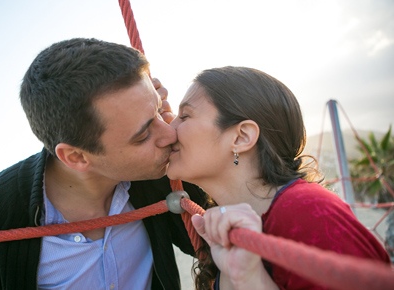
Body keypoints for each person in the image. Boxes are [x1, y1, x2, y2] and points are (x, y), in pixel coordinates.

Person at [0, 38, 209, 290]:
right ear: (76, 157)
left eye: (157, 111)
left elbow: (211, 250)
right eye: (142, 135)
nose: (169, 134)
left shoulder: (158, 173)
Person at [167, 66, 390, 289]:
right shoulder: (226, 230)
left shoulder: (308, 212)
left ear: (242, 137)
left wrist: (251, 279)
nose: (169, 129)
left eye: (185, 116)